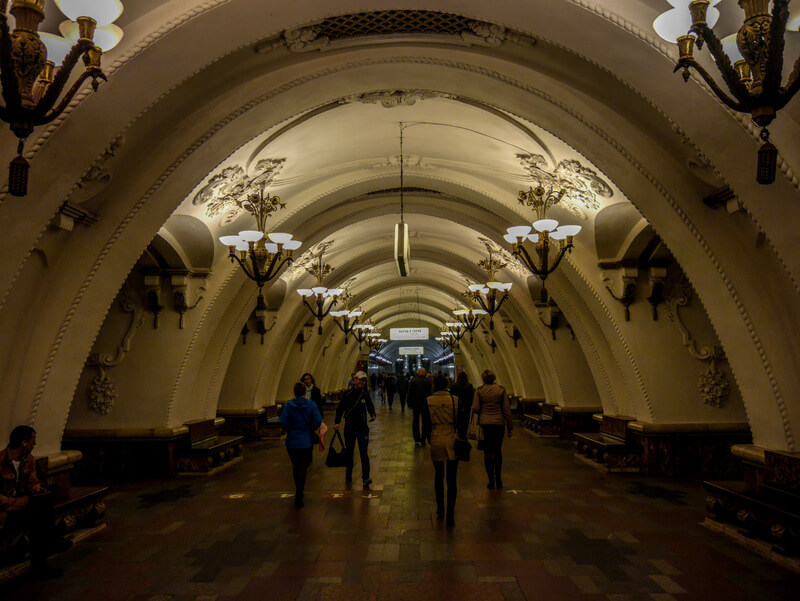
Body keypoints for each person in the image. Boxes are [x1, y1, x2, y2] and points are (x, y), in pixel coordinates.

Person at [1, 425, 72, 579]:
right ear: (24, 443)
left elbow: (32, 482)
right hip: (4, 510)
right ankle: (52, 542)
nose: (35, 444)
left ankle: (42, 562)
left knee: (41, 509)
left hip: (23, 505)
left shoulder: (28, 460)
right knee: (39, 515)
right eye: (33, 440)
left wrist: (37, 489)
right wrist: (15, 502)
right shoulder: (0, 462)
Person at [279, 382, 324, 508]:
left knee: (295, 466)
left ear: (294, 392)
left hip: (292, 442)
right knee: (303, 467)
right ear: (305, 392)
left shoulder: (288, 405)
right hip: (306, 441)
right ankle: (300, 492)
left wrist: (291, 430)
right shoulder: (311, 405)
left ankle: (298, 490)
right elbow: (318, 421)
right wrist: (310, 429)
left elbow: (284, 422)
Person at [427, 374, 460, 526]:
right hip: (452, 439)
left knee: (438, 476)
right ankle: (451, 514)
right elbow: (461, 421)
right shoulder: (455, 400)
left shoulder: (429, 400)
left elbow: (426, 424)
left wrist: (429, 438)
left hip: (436, 438)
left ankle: (440, 509)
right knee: (452, 478)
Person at [472, 369, 513, 489]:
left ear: (483, 379)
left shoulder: (479, 390)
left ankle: (491, 480)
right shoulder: (501, 389)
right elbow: (506, 410)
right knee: (497, 451)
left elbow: (475, 408)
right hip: (499, 424)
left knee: (487, 452)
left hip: (485, 424)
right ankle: (499, 478)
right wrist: (510, 427)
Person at [334, 371, 376, 487]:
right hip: (350, 427)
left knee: (364, 453)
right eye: (360, 379)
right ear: (355, 379)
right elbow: (340, 408)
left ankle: (366, 477)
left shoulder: (365, 394)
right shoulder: (348, 394)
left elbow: (370, 405)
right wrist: (337, 422)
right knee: (350, 451)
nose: (362, 382)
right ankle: (348, 473)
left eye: (364, 380)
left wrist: (373, 414)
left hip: (362, 427)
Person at [407, 368, 432, 446]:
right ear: (425, 373)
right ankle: (423, 439)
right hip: (426, 404)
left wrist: (409, 404)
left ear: (417, 373)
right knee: (426, 422)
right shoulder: (428, 382)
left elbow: (410, 393)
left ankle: (417, 439)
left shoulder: (413, 381)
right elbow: (430, 394)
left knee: (415, 421)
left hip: (415, 404)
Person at [449, 371, 475, 440]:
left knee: (458, 421)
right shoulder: (469, 386)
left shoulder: (454, 386)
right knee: (465, 422)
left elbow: (451, 397)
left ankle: (459, 435)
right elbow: (472, 397)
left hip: (457, 406)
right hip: (466, 407)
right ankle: (464, 436)